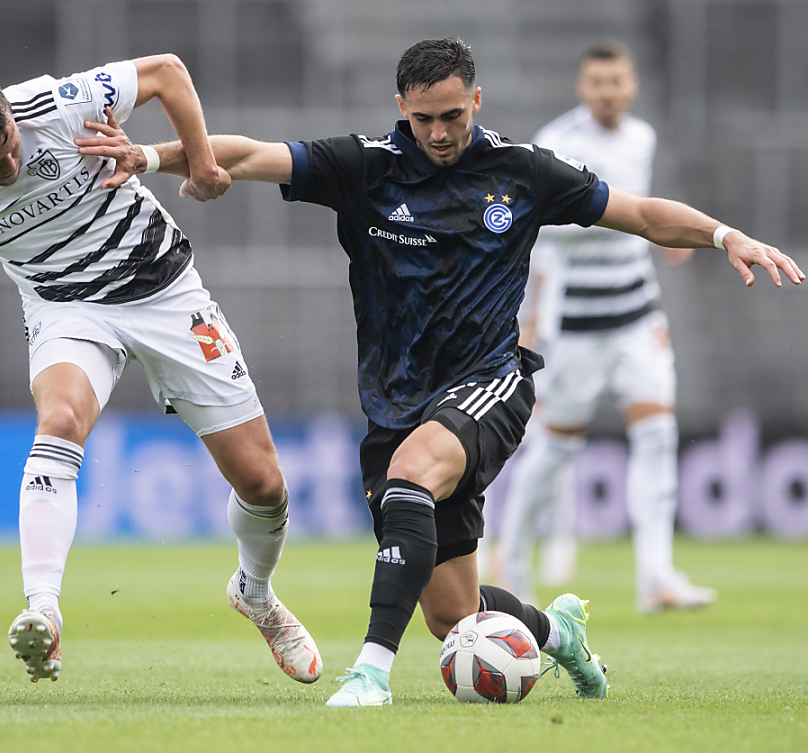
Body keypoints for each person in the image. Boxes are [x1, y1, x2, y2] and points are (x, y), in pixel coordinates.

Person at [76, 38, 803, 706]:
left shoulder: (523, 172)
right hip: (395, 402)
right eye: (424, 118)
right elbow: (247, 155)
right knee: (453, 615)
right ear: (402, 107)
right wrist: (152, 156)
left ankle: (370, 673)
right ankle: (559, 633)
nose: (440, 132)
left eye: (453, 115)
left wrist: (723, 235)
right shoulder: (366, 166)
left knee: (411, 475)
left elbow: (640, 213)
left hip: (492, 382)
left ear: (476, 101)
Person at [0, 56, 322, 686]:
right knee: (60, 421)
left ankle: (255, 593)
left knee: (263, 483)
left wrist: (201, 162)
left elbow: (168, 72)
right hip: (65, 308)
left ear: (12, 117)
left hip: (165, 290)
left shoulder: (56, 104)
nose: (10, 165)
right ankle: (44, 612)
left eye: (12, 146)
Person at [498, 41, 717, 613]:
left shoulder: (642, 137)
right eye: (597, 82)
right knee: (554, 450)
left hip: (637, 316)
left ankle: (657, 577)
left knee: (657, 435)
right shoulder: (557, 142)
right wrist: (633, 222)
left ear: (632, 84)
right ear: (582, 87)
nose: (608, 92)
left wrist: (656, 234)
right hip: (576, 324)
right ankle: (512, 564)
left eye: (616, 81)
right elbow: (542, 226)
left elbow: (638, 209)